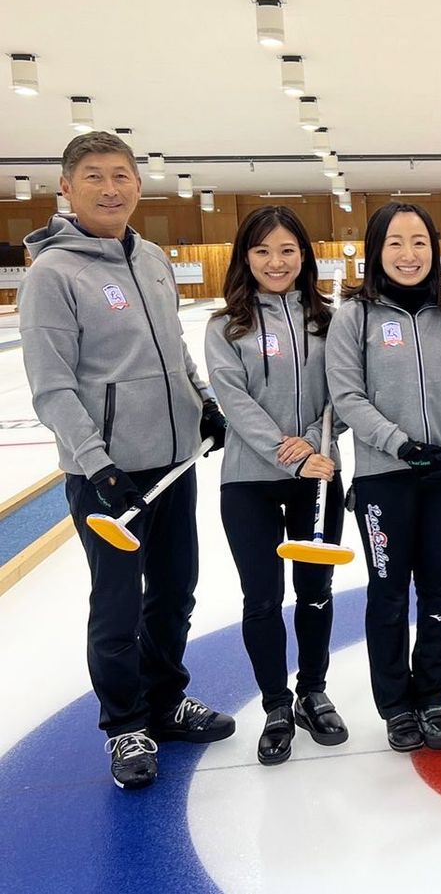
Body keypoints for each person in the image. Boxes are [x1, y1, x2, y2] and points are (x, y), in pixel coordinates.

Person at [18, 131, 233, 790]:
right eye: (94, 176)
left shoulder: (155, 258)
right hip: (106, 474)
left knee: (174, 592)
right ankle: (126, 725)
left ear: (138, 184)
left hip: (173, 462)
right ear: (67, 188)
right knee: (117, 603)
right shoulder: (54, 273)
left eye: (121, 175)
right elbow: (52, 384)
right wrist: (95, 461)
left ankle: (165, 702)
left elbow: (176, 351)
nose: (110, 187)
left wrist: (202, 401)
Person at [325, 202, 441, 752]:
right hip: (384, 479)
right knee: (389, 594)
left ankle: (434, 697)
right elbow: (347, 395)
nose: (408, 254)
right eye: (395, 242)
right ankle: (396, 705)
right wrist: (400, 445)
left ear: (434, 249)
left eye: (419, 242)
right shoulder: (355, 316)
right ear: (375, 250)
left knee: (439, 588)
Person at [205, 206, 348, 765]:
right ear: (245, 256)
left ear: (304, 255)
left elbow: (343, 391)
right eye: (263, 250)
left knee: (314, 591)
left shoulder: (331, 322)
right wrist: (287, 453)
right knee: (262, 599)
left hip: (318, 475)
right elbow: (232, 400)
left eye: (287, 249)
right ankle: (276, 705)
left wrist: (315, 446)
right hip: (249, 482)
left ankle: (313, 690)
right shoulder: (225, 327)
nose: (276, 261)